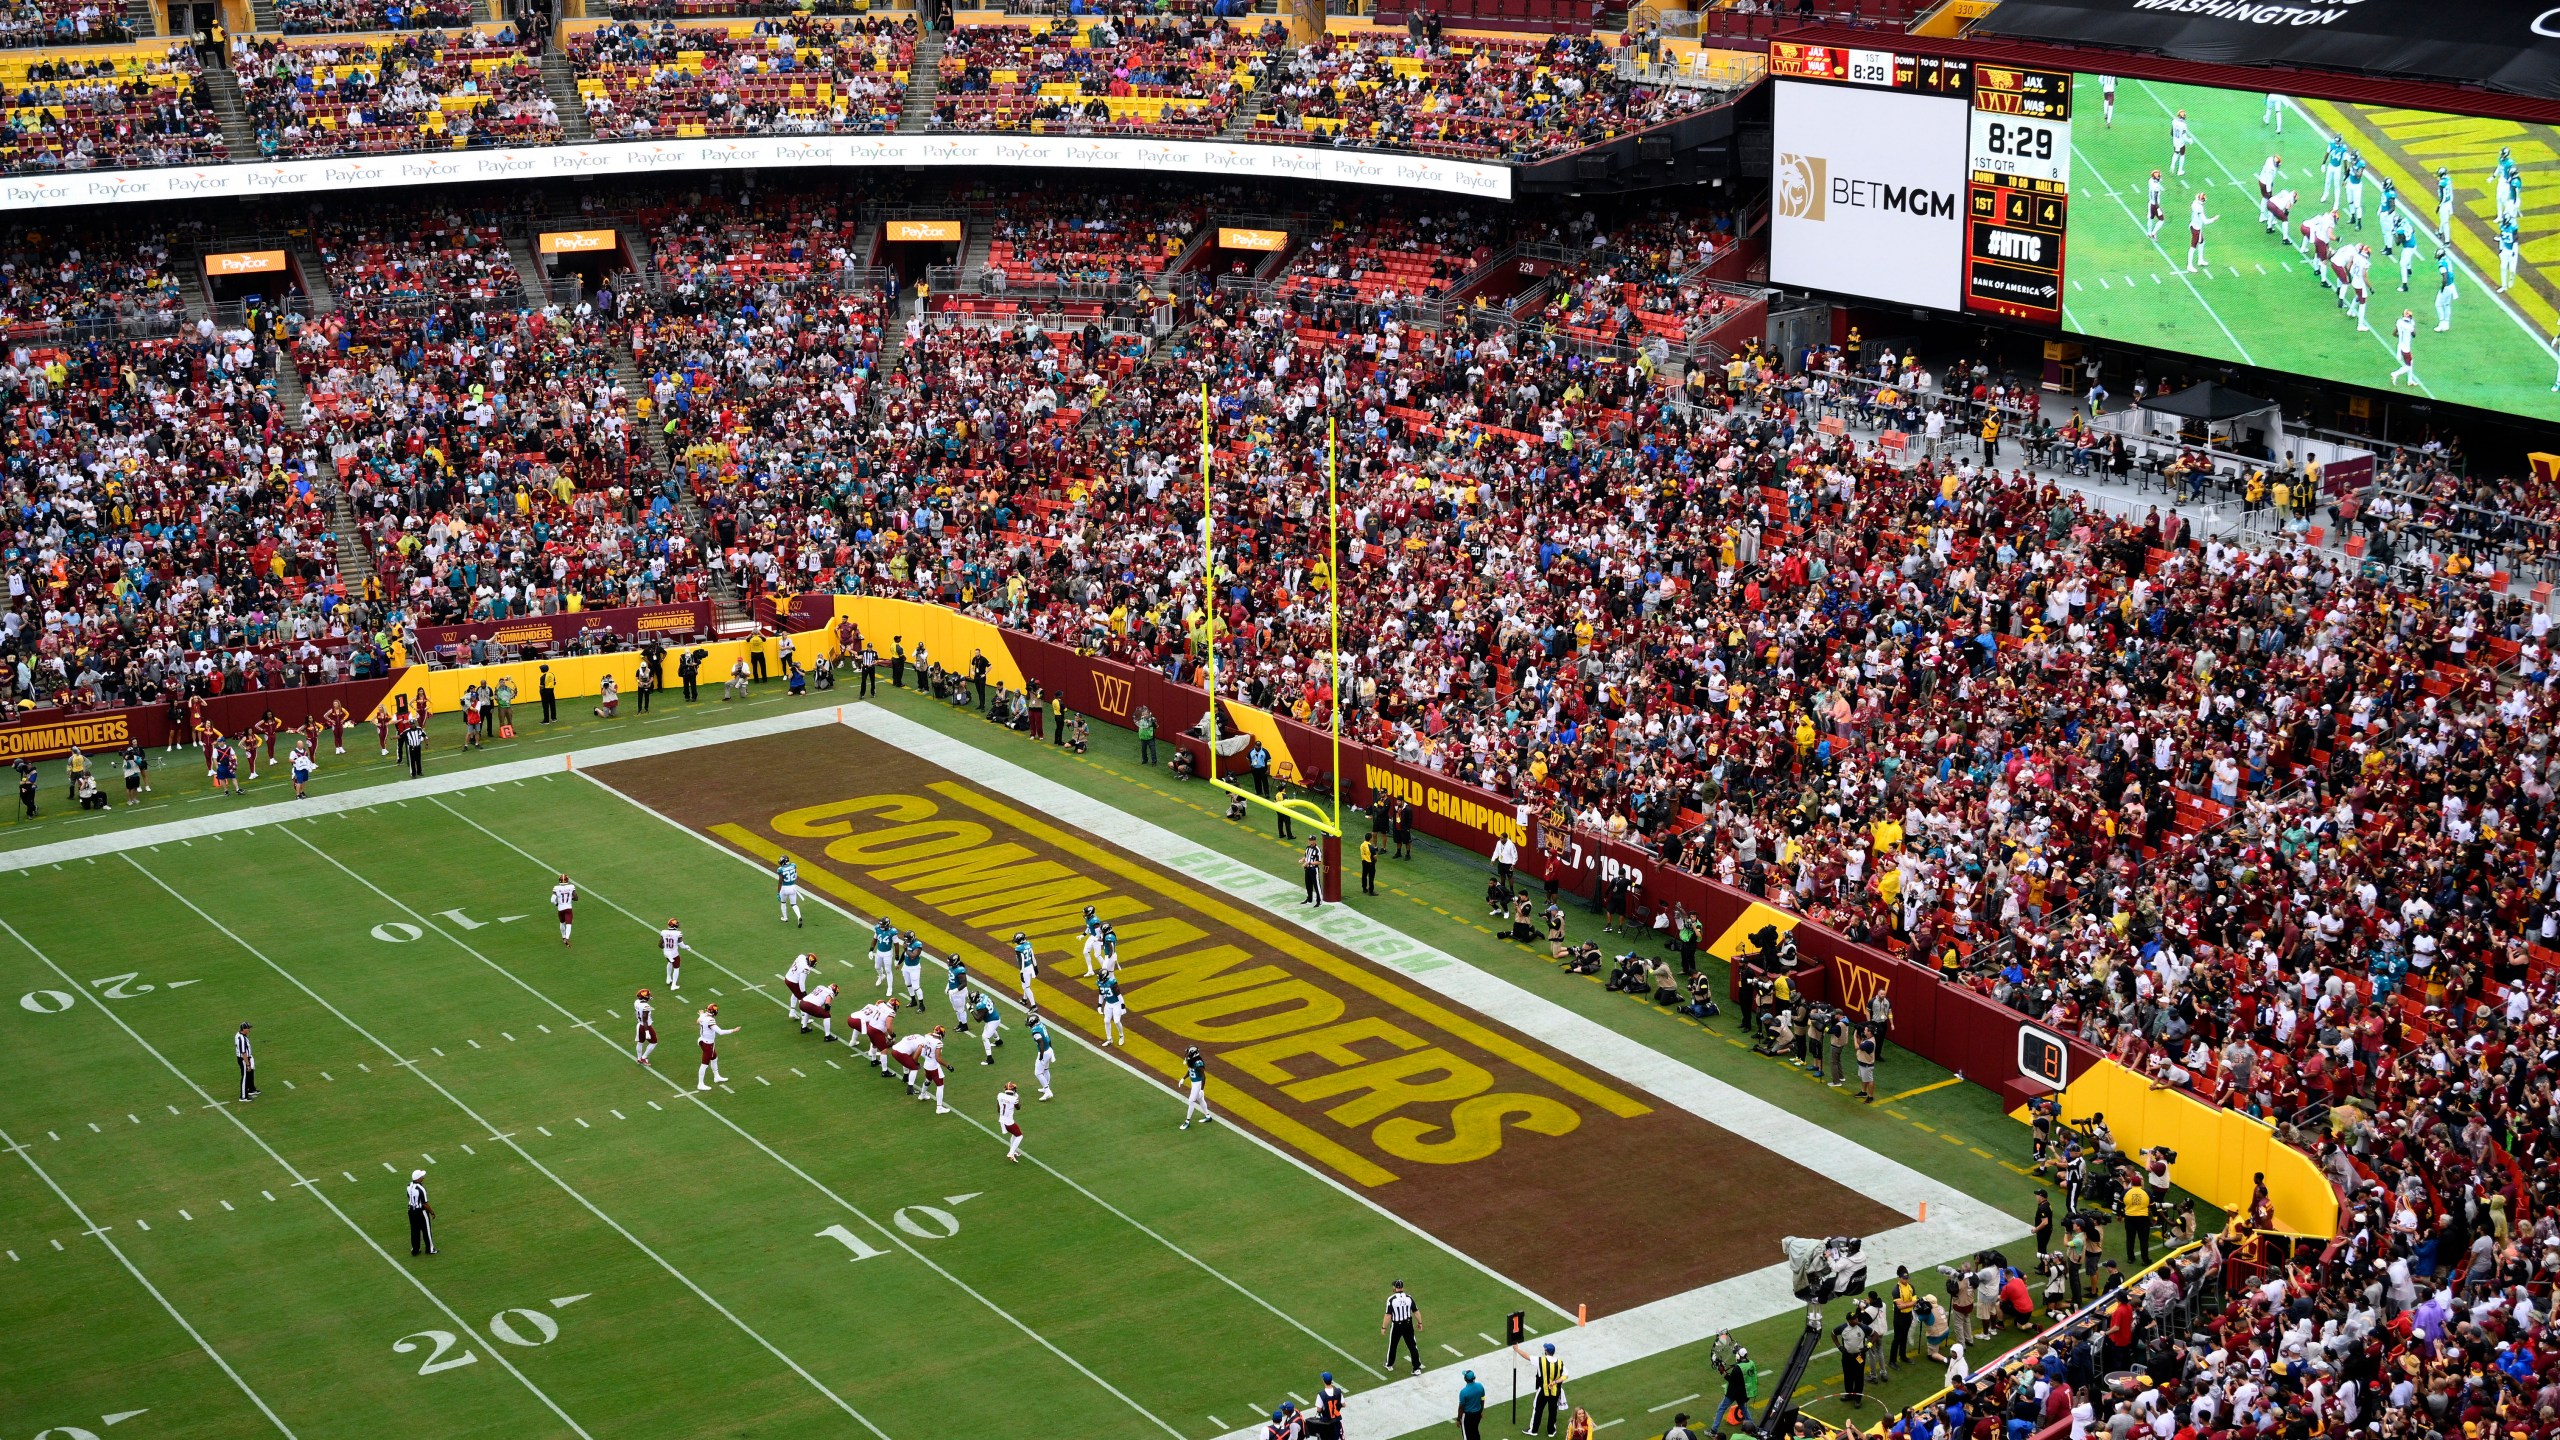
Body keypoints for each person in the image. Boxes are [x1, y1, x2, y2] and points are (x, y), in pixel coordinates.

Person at [696, 1004, 739, 1091]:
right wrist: (733, 1030)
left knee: (714, 1058)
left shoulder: (703, 1015)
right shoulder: (710, 1020)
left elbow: (698, 1021)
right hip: (707, 1043)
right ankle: (700, 1084)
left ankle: (717, 1076)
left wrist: (701, 1014)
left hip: (703, 1040)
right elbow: (720, 1032)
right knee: (704, 1064)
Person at [1383, 1279, 1421, 1373]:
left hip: (1397, 1325)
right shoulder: (1409, 1297)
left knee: (1393, 1345)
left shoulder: (1391, 1299)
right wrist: (1420, 1323)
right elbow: (1415, 1311)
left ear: (1394, 1288)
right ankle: (1416, 1368)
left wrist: (1383, 1327)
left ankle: (1389, 1364)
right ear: (1402, 1287)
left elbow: (1388, 1315)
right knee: (1413, 1346)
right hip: (1408, 1324)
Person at [1531, 1342, 1567, 1436]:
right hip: (1555, 1391)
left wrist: (1517, 1349)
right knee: (1552, 1411)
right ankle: (1551, 1431)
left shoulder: (1541, 1360)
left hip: (1544, 1390)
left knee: (1538, 1409)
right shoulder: (1560, 1362)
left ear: (1546, 1351)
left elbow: (1527, 1356)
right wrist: (1555, 1382)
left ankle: (1534, 1430)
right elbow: (1565, 1375)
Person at [1179, 1045, 1211, 1129]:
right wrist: (1183, 1078)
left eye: (1189, 1053)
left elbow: (1203, 1076)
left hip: (1198, 1084)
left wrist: (1202, 1089)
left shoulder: (1198, 1062)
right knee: (1200, 1099)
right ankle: (1208, 1116)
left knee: (1191, 1101)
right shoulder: (1192, 1060)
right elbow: (1191, 1070)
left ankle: (1187, 1121)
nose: (1187, 1054)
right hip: (1194, 1083)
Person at [406, 1169, 437, 1256]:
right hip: (421, 1212)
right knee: (426, 1230)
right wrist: (431, 1212)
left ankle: (415, 1249)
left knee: (414, 1230)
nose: (423, 1178)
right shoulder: (421, 1189)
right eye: (421, 1177)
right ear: (418, 1178)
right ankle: (430, 1249)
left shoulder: (409, 1186)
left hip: (411, 1211)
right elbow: (425, 1203)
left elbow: (409, 1197)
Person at [997, 1080, 1024, 1162]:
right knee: (1019, 1136)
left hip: (1002, 1120)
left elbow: (998, 1109)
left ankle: (1013, 1151)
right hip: (1009, 1122)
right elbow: (1018, 1107)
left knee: (1015, 1134)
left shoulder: (1000, 1095)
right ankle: (1011, 1153)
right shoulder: (1014, 1098)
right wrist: (1017, 1097)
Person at [1455, 1370, 1485, 1440]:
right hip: (1477, 1414)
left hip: (1467, 1417)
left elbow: (1461, 1408)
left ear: (1465, 1379)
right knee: (1475, 1431)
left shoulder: (1463, 1392)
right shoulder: (1480, 1386)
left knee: (1467, 1436)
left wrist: (1458, 1419)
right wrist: (1481, 1411)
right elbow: (1482, 1399)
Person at [776, 857, 804, 928]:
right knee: (794, 904)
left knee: (783, 902)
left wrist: (778, 892)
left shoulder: (780, 869)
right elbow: (795, 876)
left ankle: (785, 918)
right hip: (792, 887)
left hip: (784, 888)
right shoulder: (793, 865)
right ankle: (799, 916)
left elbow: (780, 882)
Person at [235, 1021, 258, 1102]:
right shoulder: (241, 1039)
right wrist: (248, 1064)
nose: (249, 1030)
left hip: (248, 1058)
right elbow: (243, 1053)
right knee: (245, 1076)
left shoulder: (240, 1035)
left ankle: (251, 1089)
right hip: (244, 1059)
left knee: (250, 1073)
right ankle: (243, 1096)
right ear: (243, 1029)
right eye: (248, 1028)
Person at [633, 987, 657, 1065]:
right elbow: (645, 1019)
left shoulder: (636, 1002)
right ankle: (644, 1057)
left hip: (639, 1025)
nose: (649, 996)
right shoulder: (646, 1006)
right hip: (646, 1026)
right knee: (654, 1042)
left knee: (640, 1042)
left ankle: (639, 1058)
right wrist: (647, 1032)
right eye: (648, 995)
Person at [661, 918, 684, 989]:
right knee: (676, 968)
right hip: (674, 953)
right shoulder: (678, 933)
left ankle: (668, 979)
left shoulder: (664, 932)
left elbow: (659, 944)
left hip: (666, 953)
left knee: (670, 963)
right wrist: (687, 947)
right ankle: (673, 985)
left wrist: (667, 948)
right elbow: (682, 946)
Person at [1302, 840, 1324, 905]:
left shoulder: (1317, 850)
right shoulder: (1307, 848)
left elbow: (1319, 862)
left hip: (1314, 869)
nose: (1309, 841)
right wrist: (1302, 859)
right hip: (1307, 869)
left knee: (1316, 885)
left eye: (1311, 840)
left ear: (1314, 841)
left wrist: (1309, 863)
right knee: (1308, 885)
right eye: (1309, 840)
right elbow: (1306, 856)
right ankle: (1309, 899)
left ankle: (1319, 901)